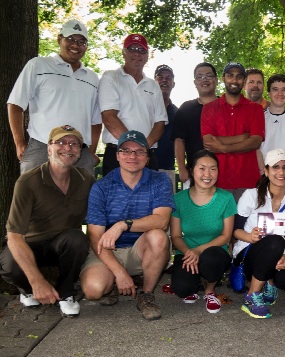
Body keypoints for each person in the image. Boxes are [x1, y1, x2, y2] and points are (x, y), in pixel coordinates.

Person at [0, 125, 95, 317]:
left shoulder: (86, 180)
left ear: (80, 151)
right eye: (60, 142)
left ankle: (66, 293)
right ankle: (28, 289)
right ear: (49, 148)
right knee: (9, 266)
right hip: (29, 244)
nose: (67, 148)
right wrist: (37, 281)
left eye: (74, 144)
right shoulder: (28, 182)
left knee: (77, 238)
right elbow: (14, 237)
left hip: (61, 245)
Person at [80, 130, 175, 321]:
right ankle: (114, 283)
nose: (132, 156)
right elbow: (95, 236)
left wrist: (123, 225)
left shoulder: (160, 180)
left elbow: (162, 220)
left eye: (139, 151)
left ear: (147, 158)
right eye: (126, 151)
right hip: (108, 250)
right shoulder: (101, 187)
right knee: (94, 290)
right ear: (117, 156)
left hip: (142, 248)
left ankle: (146, 294)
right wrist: (119, 272)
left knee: (158, 236)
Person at [7, 19, 101, 175]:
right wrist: (20, 143)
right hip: (41, 147)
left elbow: (96, 120)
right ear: (59, 39)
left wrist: (91, 150)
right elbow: (15, 104)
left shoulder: (92, 78)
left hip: (80, 152)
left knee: (82, 198)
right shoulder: (37, 65)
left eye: (81, 42)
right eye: (70, 39)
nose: (75, 45)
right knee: (32, 196)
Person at [234, 149, 285, 319]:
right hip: (248, 254)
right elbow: (235, 231)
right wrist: (250, 236)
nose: (281, 172)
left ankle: (269, 282)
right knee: (275, 242)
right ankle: (252, 295)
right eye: (275, 167)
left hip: (279, 256)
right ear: (266, 171)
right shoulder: (251, 195)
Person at [170, 149, 236, 313]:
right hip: (186, 253)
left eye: (213, 168)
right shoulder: (178, 199)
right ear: (192, 171)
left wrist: (198, 251)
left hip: (215, 252)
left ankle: (210, 289)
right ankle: (195, 280)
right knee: (182, 289)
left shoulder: (226, 198)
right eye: (202, 168)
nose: (208, 174)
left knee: (211, 259)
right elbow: (176, 236)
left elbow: (226, 236)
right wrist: (189, 253)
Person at [99, 34, 167, 176]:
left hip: (147, 156)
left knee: (148, 199)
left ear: (147, 56)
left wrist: (143, 150)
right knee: (116, 199)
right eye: (132, 49)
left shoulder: (153, 85)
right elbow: (109, 117)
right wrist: (133, 149)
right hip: (117, 155)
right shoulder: (110, 77)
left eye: (142, 50)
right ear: (123, 52)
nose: (137, 53)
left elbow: (160, 122)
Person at [201, 62, 265, 201]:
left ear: (244, 80)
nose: (234, 80)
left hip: (247, 181)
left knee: (245, 223)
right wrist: (243, 137)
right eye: (230, 76)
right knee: (218, 223)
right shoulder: (209, 108)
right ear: (223, 78)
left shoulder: (255, 109)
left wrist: (223, 147)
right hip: (217, 180)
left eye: (239, 76)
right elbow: (209, 142)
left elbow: (255, 141)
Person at [173, 62, 218, 190]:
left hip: (223, 172)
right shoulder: (186, 108)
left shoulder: (225, 107)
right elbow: (179, 140)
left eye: (209, 76)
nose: (204, 79)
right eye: (200, 76)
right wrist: (181, 168)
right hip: (193, 174)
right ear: (195, 82)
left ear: (216, 80)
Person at [154, 64, 179, 191]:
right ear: (154, 81)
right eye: (160, 77)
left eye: (168, 78)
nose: (164, 80)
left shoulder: (178, 112)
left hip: (167, 168)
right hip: (143, 167)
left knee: (167, 209)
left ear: (173, 83)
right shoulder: (144, 107)